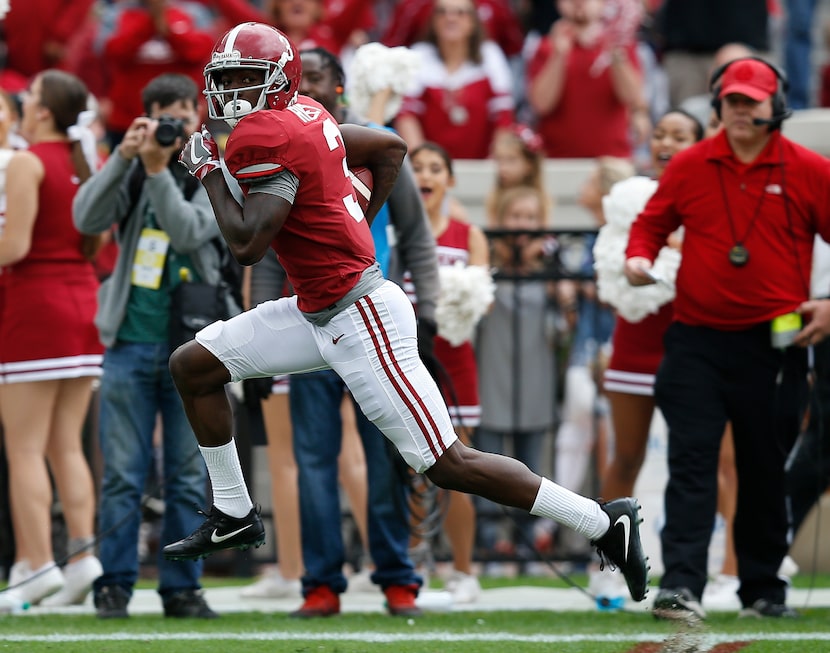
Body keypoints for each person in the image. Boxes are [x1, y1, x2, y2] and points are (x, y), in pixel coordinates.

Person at [160, 22, 649, 611]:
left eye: (247, 79)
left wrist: (208, 170)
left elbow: (246, 245)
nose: (233, 93)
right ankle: (235, 511)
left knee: (447, 463)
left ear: (278, 83)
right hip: (318, 309)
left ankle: (602, 522)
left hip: (360, 315)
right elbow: (388, 147)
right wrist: (354, 214)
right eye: (227, 79)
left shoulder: (267, 134)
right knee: (194, 365)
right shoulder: (306, 115)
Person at [625, 56, 830, 620]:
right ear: (718, 104)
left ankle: (763, 588)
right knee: (692, 463)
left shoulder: (810, 169)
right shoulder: (691, 164)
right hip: (696, 341)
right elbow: (651, 223)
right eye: (732, 100)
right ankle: (683, 584)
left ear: (777, 108)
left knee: (766, 468)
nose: (740, 110)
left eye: (752, 101)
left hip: (778, 342)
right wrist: (639, 257)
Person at [281, 45, 439, 618]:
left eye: (317, 80)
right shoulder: (286, 149)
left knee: (389, 452)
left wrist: (434, 316)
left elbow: (418, 239)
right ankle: (320, 584)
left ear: (340, 90)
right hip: (310, 322)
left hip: (372, 321)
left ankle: (397, 577)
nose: (308, 91)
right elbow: (271, 254)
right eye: (300, 83)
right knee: (314, 457)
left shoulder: (373, 145)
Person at [73, 73, 233, 620]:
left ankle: (181, 588)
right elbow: (85, 218)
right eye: (164, 113)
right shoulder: (136, 169)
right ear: (145, 119)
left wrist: (162, 171)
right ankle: (114, 584)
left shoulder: (216, 175)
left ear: (198, 116)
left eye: (185, 112)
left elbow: (190, 232)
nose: (176, 123)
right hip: (130, 344)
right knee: (121, 474)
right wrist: (122, 158)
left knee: (190, 474)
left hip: (192, 350)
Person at [590, 108, 703, 610]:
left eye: (680, 136)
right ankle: (609, 569)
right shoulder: (630, 201)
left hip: (693, 345)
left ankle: (725, 570)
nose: (667, 142)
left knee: (707, 461)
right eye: (660, 133)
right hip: (634, 346)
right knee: (627, 457)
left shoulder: (707, 194)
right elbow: (612, 274)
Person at [0, 70, 104, 608]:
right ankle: (84, 557)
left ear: (43, 112)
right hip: (84, 304)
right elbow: (95, 242)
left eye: (31, 95)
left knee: (23, 449)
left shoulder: (26, 161)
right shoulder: (85, 160)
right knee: (67, 444)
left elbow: (13, 246)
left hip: (35, 308)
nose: (22, 101)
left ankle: (38, 564)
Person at [409, 141, 490, 602]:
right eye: (416, 168)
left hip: (454, 364)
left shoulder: (467, 233)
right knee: (409, 466)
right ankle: (415, 562)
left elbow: (485, 298)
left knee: (462, 465)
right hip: (405, 362)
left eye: (435, 168)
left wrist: (461, 300)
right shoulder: (397, 233)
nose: (425, 175)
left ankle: (463, 569)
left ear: (449, 180)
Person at [474, 185, 559, 569]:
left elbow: (568, 317)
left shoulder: (550, 273)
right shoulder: (487, 264)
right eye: (515, 217)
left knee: (531, 469)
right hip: (492, 380)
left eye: (530, 217)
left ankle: (527, 546)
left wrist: (552, 267)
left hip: (535, 381)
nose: (521, 225)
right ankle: (491, 545)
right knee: (489, 468)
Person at [394, 0, 516, 159]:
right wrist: (425, 164)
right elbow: (406, 117)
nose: (450, 18)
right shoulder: (418, 56)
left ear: (473, 22)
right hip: (432, 169)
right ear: (433, 21)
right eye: (442, 12)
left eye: (460, 13)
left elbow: (504, 118)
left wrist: (492, 165)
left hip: (482, 164)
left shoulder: (490, 55)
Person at [525, 0, 645, 159]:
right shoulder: (546, 46)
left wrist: (615, 52)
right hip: (559, 158)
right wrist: (558, 55)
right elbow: (541, 104)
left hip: (612, 159)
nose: (578, 2)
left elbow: (631, 96)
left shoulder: (620, 44)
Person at [484, 124, 547, 229]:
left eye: (511, 160)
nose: (503, 168)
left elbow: (542, 236)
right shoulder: (494, 198)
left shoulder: (541, 199)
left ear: (529, 164)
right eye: (499, 160)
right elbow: (494, 235)